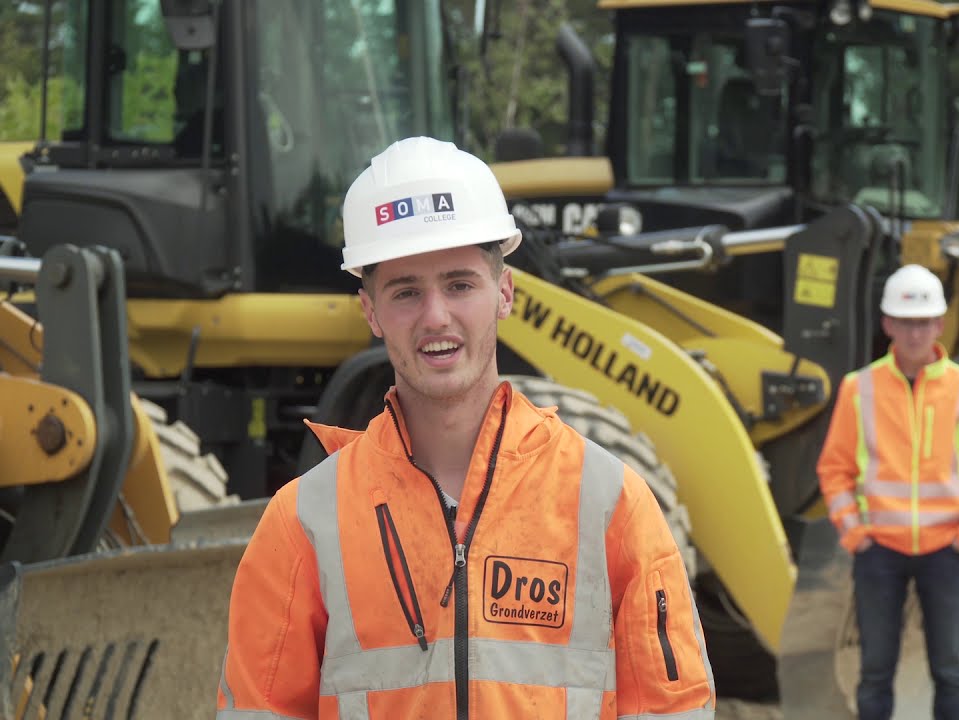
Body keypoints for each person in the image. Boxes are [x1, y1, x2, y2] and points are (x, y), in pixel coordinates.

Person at [216, 136, 716, 719]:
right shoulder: (304, 523)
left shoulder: (609, 504)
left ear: (504, 293)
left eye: (459, 284)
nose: (435, 316)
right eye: (406, 292)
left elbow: (671, 708)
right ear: (371, 311)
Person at [815, 264, 959, 720]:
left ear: (939, 325)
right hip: (878, 550)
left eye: (923, 322)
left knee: (950, 671)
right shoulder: (857, 388)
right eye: (906, 322)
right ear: (888, 325)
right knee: (875, 672)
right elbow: (835, 468)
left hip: (948, 550)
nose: (915, 332)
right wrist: (854, 533)